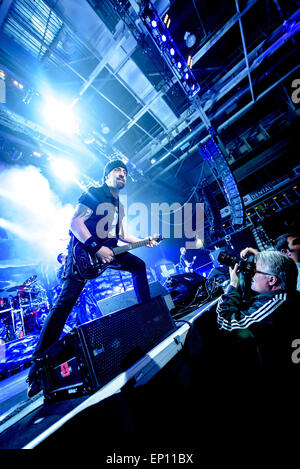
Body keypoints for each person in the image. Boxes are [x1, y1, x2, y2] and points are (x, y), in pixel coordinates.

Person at [27, 159, 158, 398]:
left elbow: (121, 235)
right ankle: (37, 367)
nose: (123, 174)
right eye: (117, 170)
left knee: (139, 266)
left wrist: (144, 240)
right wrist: (96, 248)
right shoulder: (94, 194)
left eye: (125, 172)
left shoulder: (119, 205)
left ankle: (146, 315)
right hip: (82, 254)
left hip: (107, 251)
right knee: (65, 303)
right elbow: (75, 222)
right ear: (106, 175)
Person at [216, 250, 300, 384]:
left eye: (255, 271)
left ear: (272, 280)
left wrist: (233, 285)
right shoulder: (285, 296)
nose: (251, 274)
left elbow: (226, 324)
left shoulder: (276, 303)